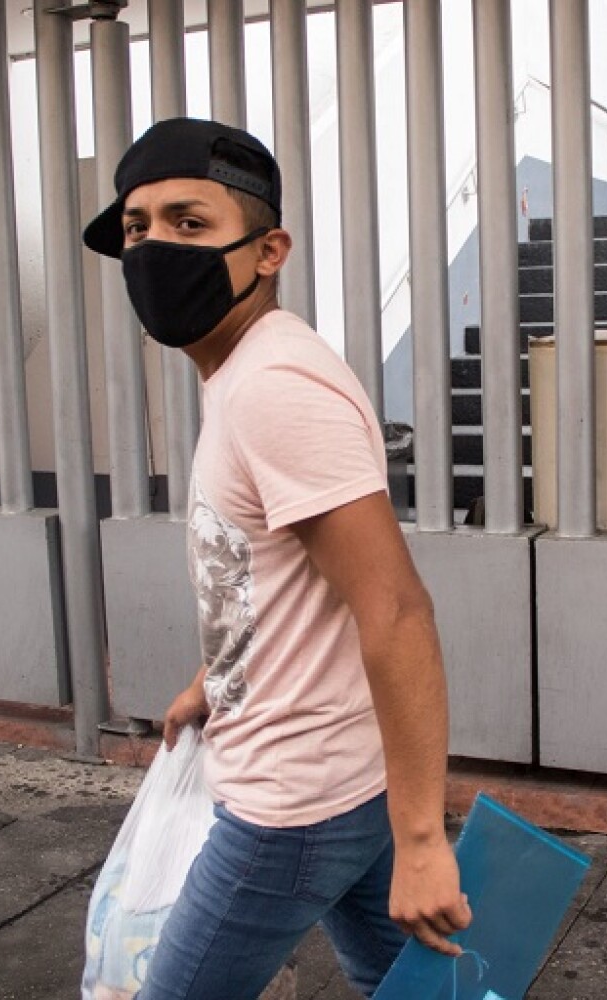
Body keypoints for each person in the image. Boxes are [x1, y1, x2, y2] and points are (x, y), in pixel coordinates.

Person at [82, 118, 470, 1000]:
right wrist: (214, 678)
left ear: (268, 250)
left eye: (188, 222)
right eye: (137, 228)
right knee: (405, 986)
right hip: (339, 771)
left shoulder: (274, 388)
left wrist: (422, 842)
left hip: (290, 805)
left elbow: (396, 609)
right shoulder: (243, 373)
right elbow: (279, 578)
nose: (152, 249)